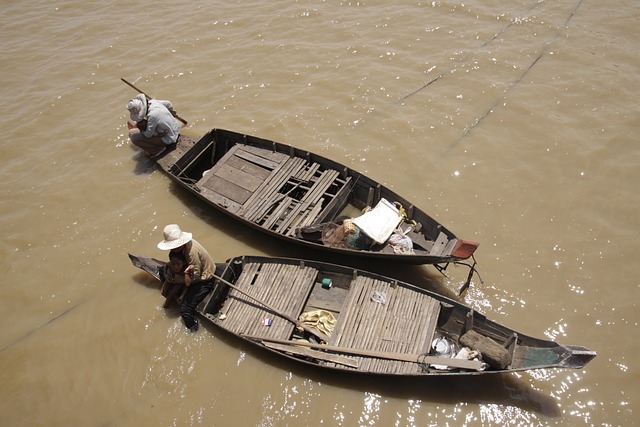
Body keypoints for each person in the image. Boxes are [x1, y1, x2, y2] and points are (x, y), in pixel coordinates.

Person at [157, 224, 215, 332]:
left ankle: (193, 329)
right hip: (190, 270)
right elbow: (170, 264)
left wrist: (176, 280)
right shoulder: (181, 249)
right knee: (161, 271)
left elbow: (195, 276)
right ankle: (172, 289)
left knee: (185, 310)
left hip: (204, 278)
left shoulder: (191, 254)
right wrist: (166, 273)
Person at [126, 93, 182, 159]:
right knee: (134, 129)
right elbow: (168, 103)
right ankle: (150, 146)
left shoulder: (152, 115)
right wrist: (172, 112)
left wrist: (142, 131)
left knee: (134, 138)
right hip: (176, 128)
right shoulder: (153, 102)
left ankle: (157, 150)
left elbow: (148, 135)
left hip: (169, 138)